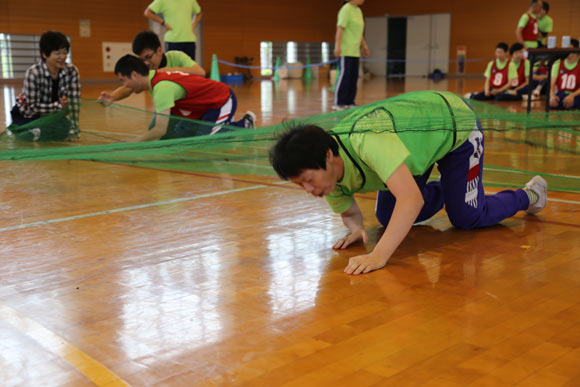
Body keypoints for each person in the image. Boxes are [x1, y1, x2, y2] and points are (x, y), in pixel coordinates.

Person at [270, 91, 548, 275]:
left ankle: (530, 194)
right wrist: (355, 228)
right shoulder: (329, 178)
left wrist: (379, 255)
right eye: (300, 185)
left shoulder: (367, 141)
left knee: (466, 217)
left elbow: (412, 200)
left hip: (455, 126)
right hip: (416, 148)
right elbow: (349, 210)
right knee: (388, 215)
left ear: (328, 156)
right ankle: (456, 190)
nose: (309, 190)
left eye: (307, 180)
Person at [114, 54, 255, 142]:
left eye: (123, 80)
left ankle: (245, 124)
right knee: (160, 135)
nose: (125, 85)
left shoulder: (162, 88)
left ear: (134, 75)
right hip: (200, 107)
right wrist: (112, 97)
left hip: (221, 100)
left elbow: (160, 129)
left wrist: (132, 143)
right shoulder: (153, 77)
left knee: (206, 142)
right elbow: (158, 130)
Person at [7, 30, 80, 141]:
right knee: (27, 132)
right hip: (28, 114)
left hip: (52, 114)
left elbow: (74, 103)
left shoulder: (72, 71)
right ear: (45, 54)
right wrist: (58, 105)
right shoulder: (33, 72)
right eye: (57, 53)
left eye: (65, 52)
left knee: (63, 131)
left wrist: (74, 128)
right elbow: (32, 107)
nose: (62, 57)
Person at [99, 31, 205, 104]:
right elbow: (130, 87)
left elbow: (200, 72)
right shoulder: (146, 69)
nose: (145, 63)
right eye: (141, 60)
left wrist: (166, 71)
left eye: (148, 57)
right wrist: (112, 97)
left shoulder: (176, 56)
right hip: (169, 106)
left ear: (159, 50)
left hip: (190, 103)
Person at [333, 0, 370, 111]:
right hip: (346, 50)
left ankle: (350, 101)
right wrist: (337, 46)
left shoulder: (358, 11)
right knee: (345, 76)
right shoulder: (346, 9)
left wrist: (364, 46)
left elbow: (359, 32)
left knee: (353, 77)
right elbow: (340, 29)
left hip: (355, 51)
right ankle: (339, 103)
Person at [549, 39, 580, 110]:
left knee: (572, 104)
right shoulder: (558, 63)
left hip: (575, 94)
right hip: (561, 94)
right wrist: (552, 96)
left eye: (569, 48)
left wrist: (572, 95)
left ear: (576, 50)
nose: (567, 51)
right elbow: (552, 83)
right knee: (552, 104)